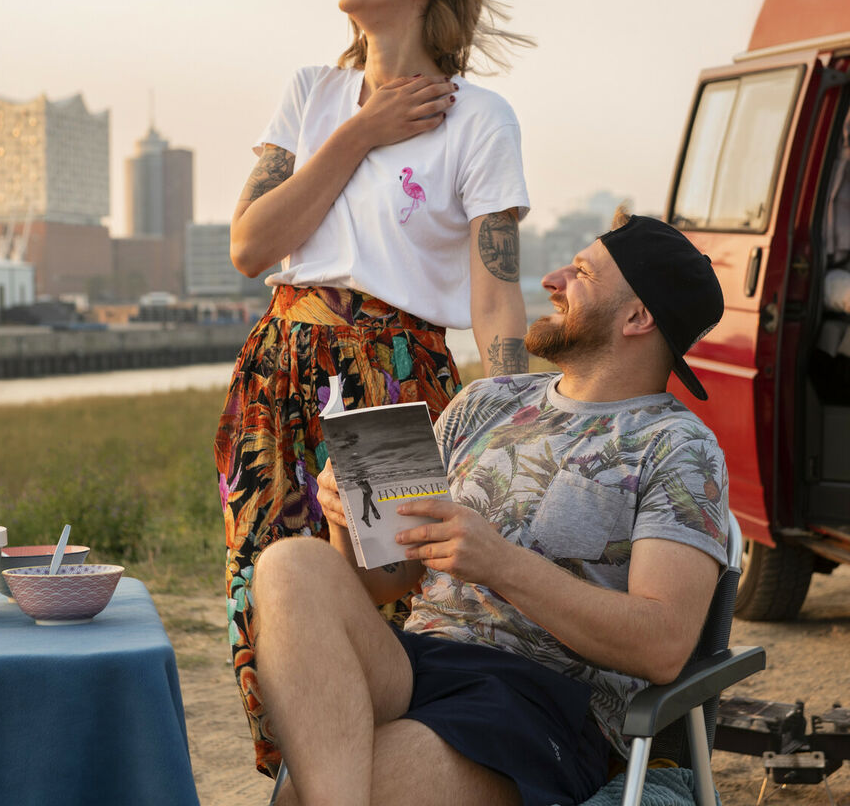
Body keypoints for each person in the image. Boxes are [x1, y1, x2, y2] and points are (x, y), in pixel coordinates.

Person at [252, 214, 730, 806]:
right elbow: (391, 581)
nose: (553, 280)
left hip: (538, 704)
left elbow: (663, 646)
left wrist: (499, 563)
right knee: (289, 564)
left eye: (582, 273)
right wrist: (348, 518)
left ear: (637, 318)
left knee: (312, 797)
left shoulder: (679, 447)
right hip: (418, 662)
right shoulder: (485, 401)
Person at [215, 0, 534, 775]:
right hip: (277, 369)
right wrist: (361, 131)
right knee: (265, 591)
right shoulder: (313, 94)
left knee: (392, 597)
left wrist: (512, 422)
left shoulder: (481, 119)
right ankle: (308, 783)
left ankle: (385, 779)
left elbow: (495, 292)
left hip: (392, 379)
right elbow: (251, 245)